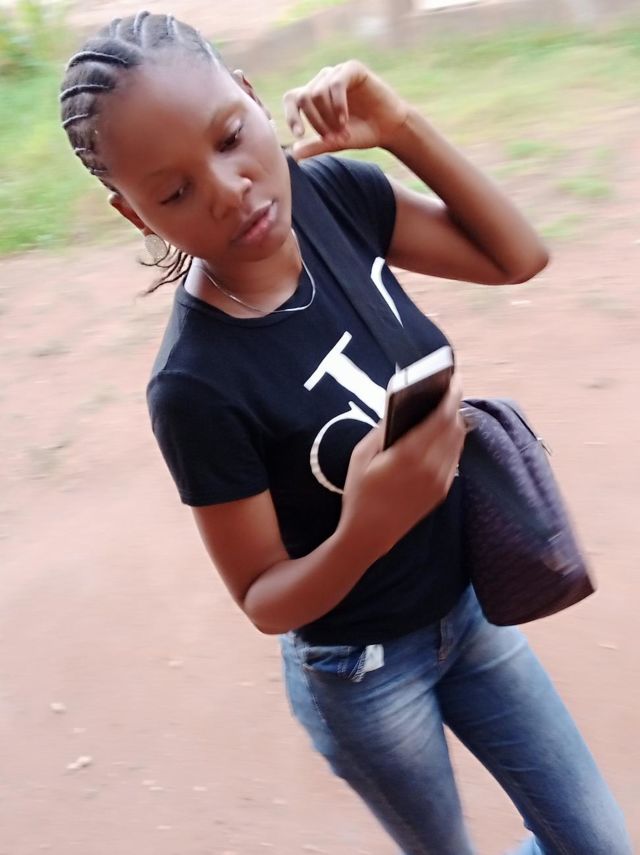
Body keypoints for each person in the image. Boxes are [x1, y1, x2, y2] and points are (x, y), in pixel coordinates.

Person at [59, 12, 632, 854]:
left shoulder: (333, 198)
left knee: (597, 840)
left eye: (229, 137)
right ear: (132, 212)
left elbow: (518, 256)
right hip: (365, 674)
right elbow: (264, 597)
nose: (228, 189)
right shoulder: (193, 385)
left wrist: (400, 127)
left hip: (471, 613)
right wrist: (368, 526)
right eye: (174, 193)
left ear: (251, 97)